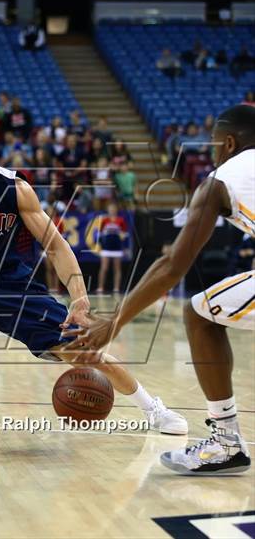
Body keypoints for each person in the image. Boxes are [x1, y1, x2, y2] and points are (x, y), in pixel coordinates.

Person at [0, 102, 186, 435]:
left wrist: (78, 297)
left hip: (13, 288)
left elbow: (57, 246)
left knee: (84, 352)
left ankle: (154, 409)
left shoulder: (15, 188)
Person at [63, 104, 255, 475]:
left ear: (229, 143)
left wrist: (114, 323)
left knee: (198, 314)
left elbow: (171, 267)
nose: (213, 153)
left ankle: (227, 442)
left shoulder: (221, 179)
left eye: (215, 145)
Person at [96, 204, 128, 295]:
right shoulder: (104, 220)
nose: (112, 210)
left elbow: (124, 235)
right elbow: (100, 234)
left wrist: (125, 247)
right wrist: (99, 246)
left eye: (114, 209)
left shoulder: (121, 220)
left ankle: (116, 288)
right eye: (110, 209)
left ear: (116, 210)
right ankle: (100, 287)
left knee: (117, 268)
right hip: (106, 247)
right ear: (108, 210)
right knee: (104, 268)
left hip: (117, 248)